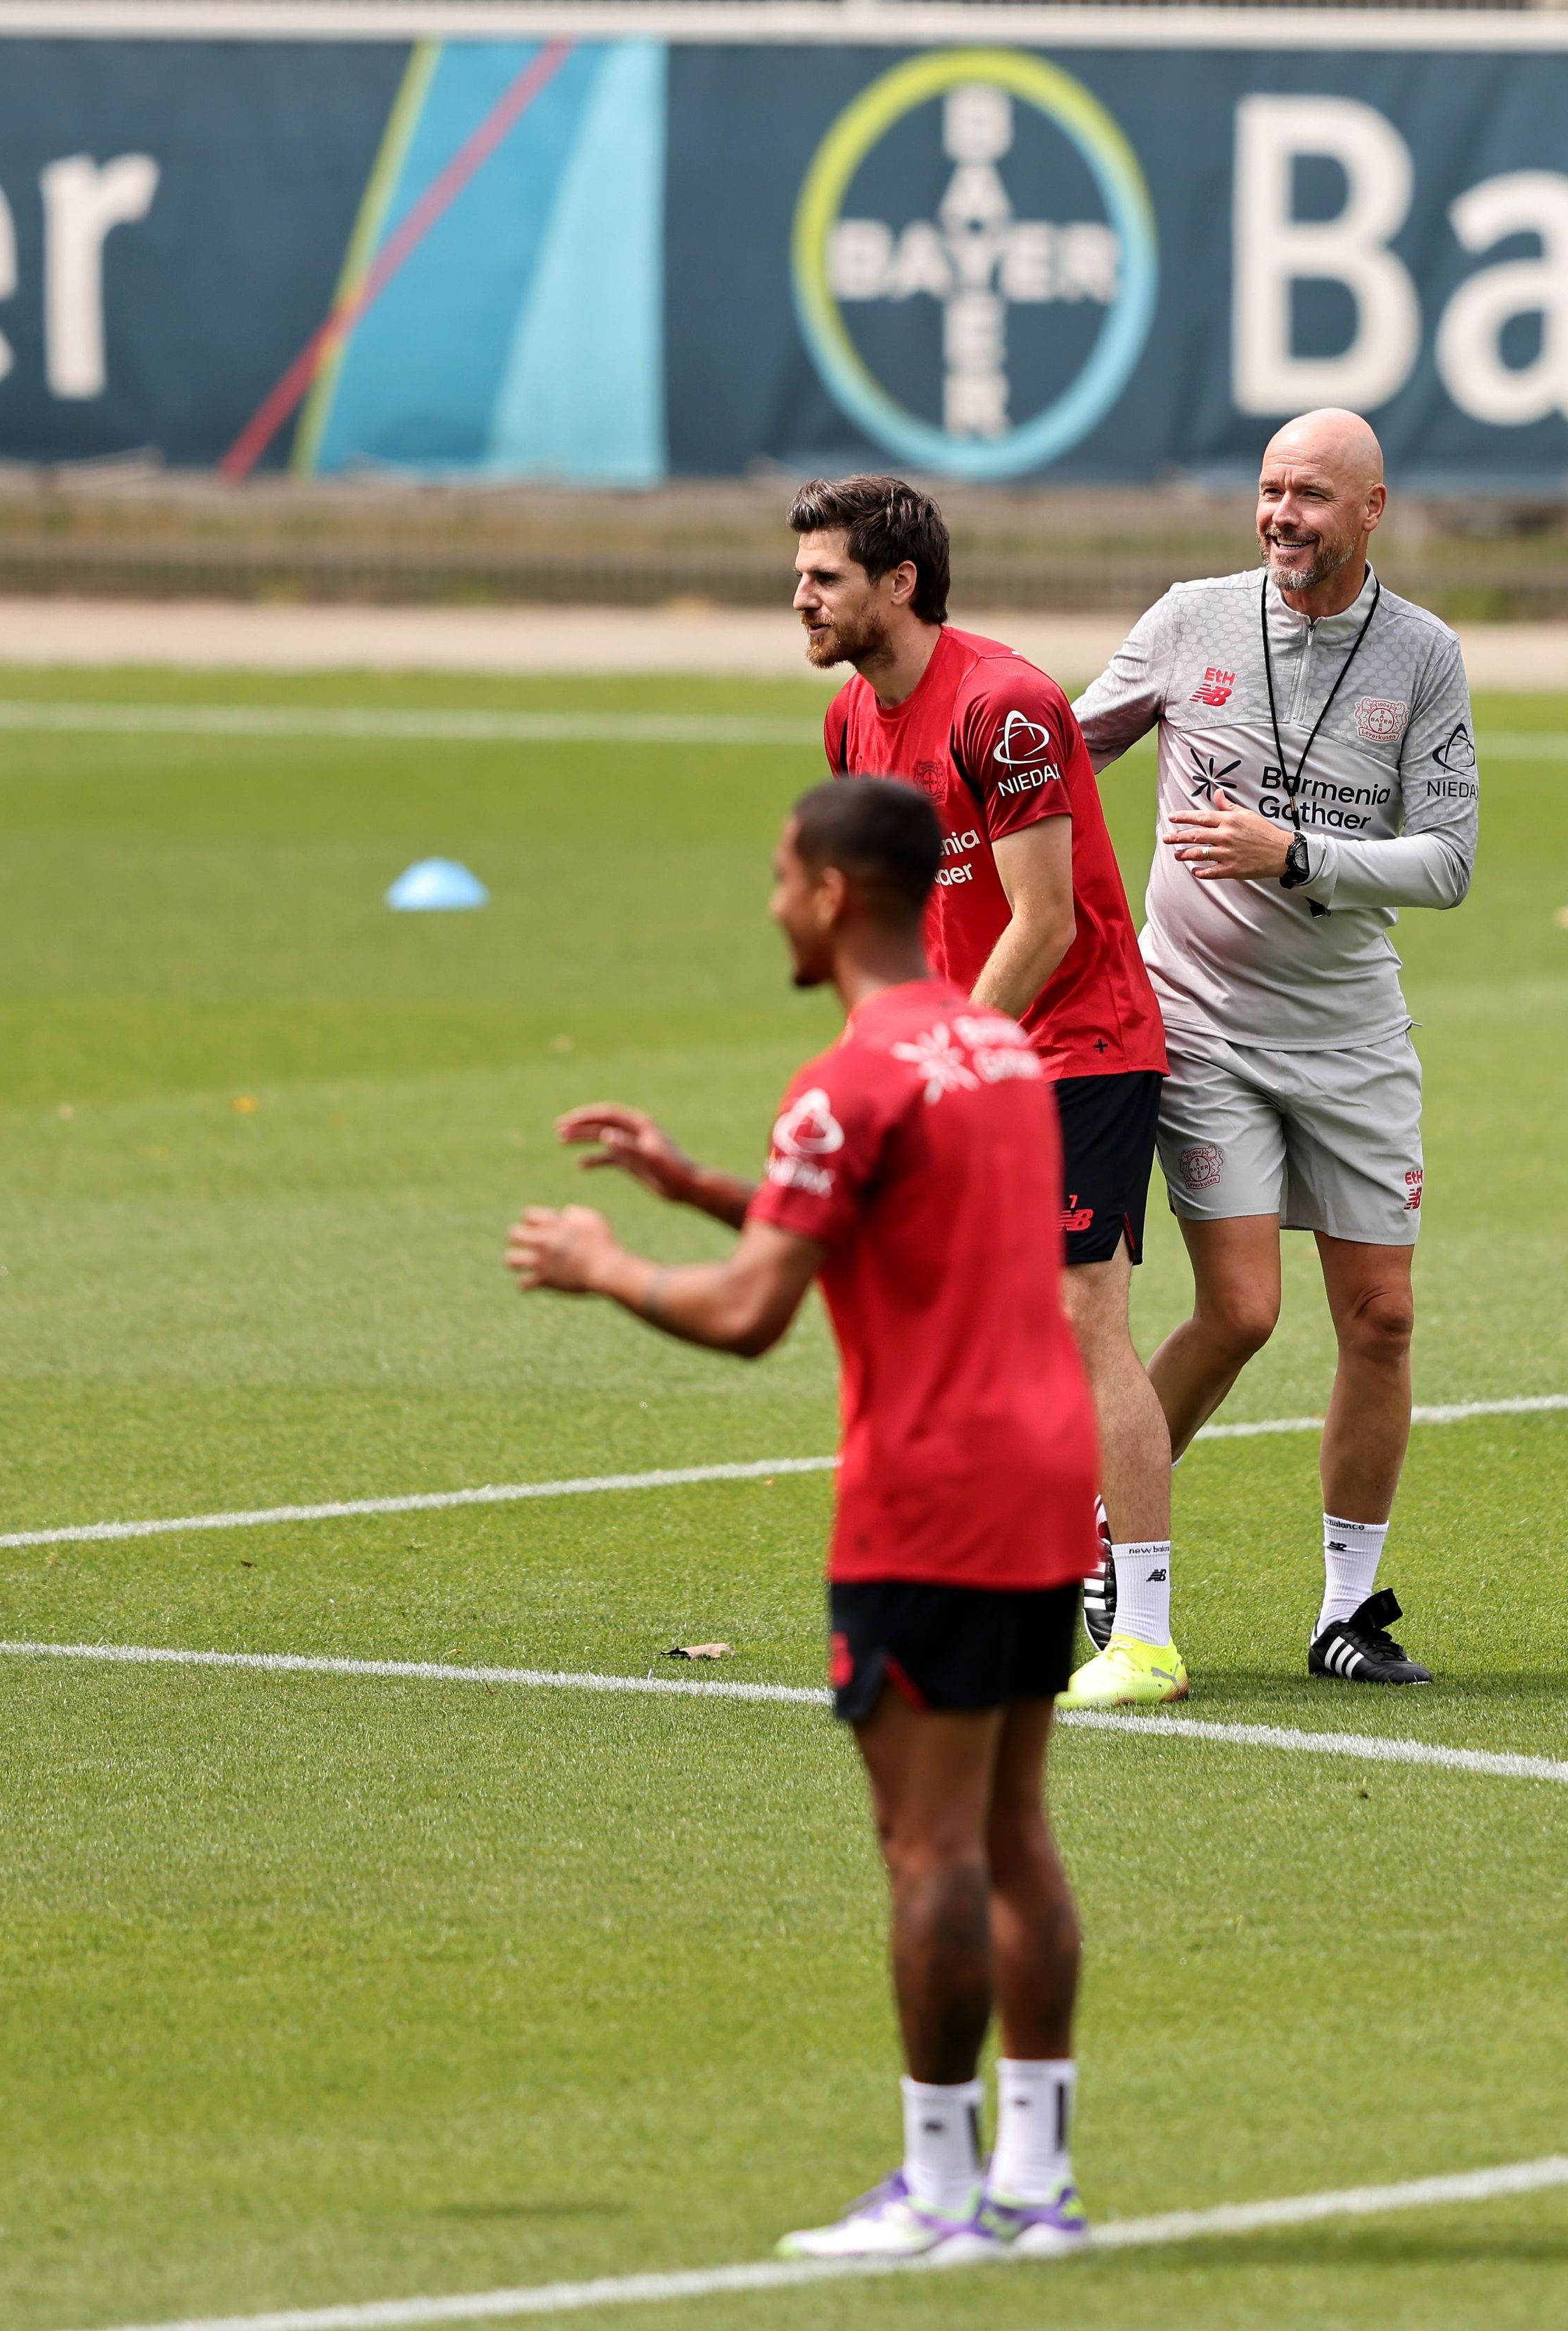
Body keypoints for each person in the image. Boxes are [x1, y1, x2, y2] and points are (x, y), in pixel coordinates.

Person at [508, 777, 1101, 2259]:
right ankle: (1037, 2179)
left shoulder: (848, 1080)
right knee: (1020, 1833)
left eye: (779, 877)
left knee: (930, 1852)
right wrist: (695, 1180)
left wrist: (608, 1267)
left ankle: (939, 2188)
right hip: (1044, 1473)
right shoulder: (995, 1047)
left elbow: (753, 1315)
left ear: (837, 893)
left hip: (932, 1498)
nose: (769, 900)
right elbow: (886, 1228)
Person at [1072, 408, 1479, 1687]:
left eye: (1310, 495)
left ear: (1372, 510)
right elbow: (1063, 753)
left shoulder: (1423, 654)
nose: (1281, 516)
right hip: (1195, 1024)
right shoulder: (1187, 619)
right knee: (1241, 1310)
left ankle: (1346, 1614)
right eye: (1268, 490)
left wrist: (1293, 852)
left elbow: (1449, 861)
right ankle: (1106, 1537)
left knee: (1384, 1319)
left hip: (1353, 1035)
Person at [787, 475, 1186, 1713]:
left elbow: (1046, 920)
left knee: (1083, 1320)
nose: (800, 596)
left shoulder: (1005, 708)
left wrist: (938, 1062)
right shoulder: (855, 719)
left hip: (1079, 1047)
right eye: (800, 574)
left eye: (826, 577)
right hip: (971, 1056)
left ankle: (1147, 1635)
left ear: (898, 585)